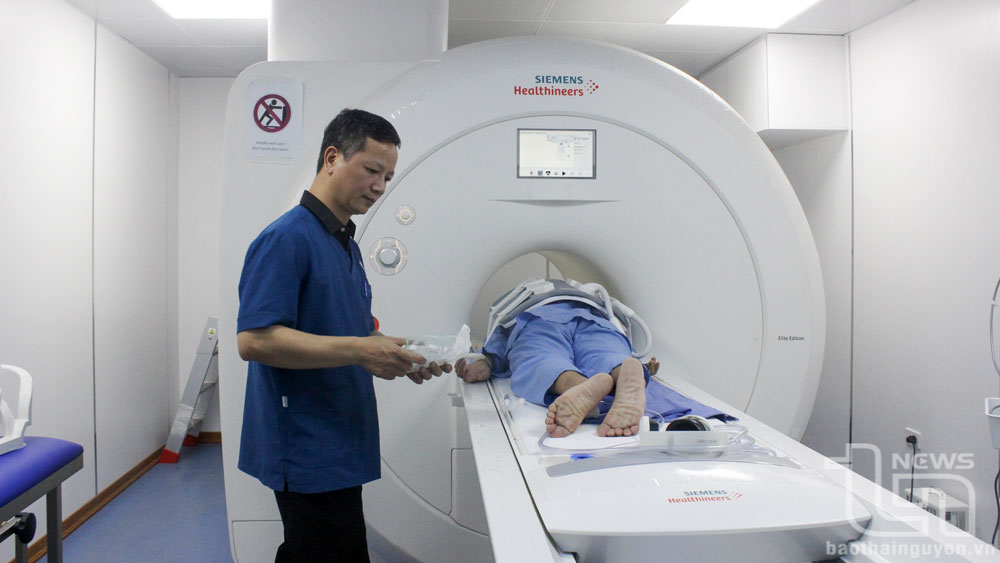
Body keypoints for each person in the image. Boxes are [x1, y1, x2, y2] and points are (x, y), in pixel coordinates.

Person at [236, 108, 449, 563]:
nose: (380, 186)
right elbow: (254, 340)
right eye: (372, 170)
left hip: (337, 436)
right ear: (332, 158)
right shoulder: (287, 239)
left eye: (387, 177)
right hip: (306, 443)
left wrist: (402, 354)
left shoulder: (345, 245)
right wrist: (361, 350)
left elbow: (351, 331)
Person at [456, 297, 660, 439]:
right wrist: (643, 367)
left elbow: (499, 342)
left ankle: (577, 385)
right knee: (606, 353)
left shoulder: (520, 308)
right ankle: (623, 369)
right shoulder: (592, 300)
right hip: (596, 321)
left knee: (541, 359)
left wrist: (487, 362)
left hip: (539, 322)